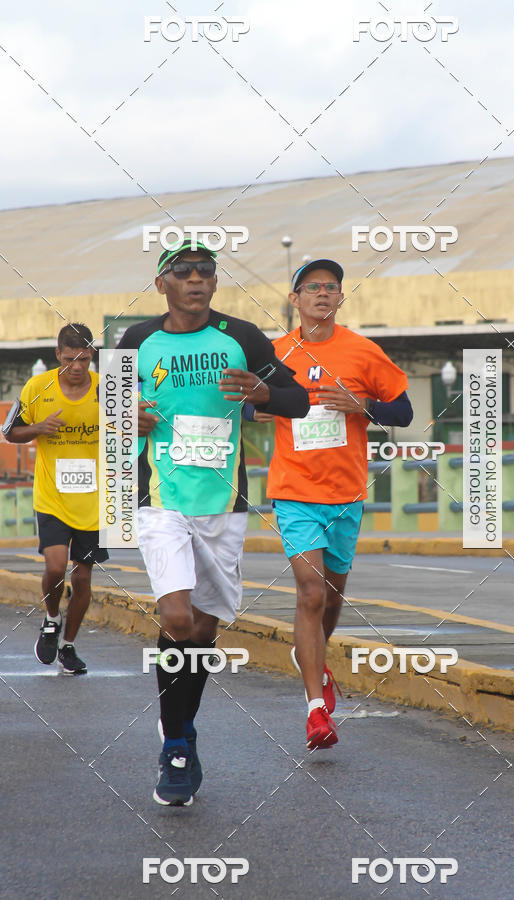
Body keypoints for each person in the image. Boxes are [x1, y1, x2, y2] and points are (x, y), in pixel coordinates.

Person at [117, 239, 309, 807]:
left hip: (223, 504)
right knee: (176, 617)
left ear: (215, 283)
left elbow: (297, 400)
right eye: (183, 272)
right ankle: (174, 747)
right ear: (162, 284)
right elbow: (110, 414)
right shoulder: (136, 341)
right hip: (161, 499)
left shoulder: (243, 337)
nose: (196, 280)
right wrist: (128, 417)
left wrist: (265, 390)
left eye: (206, 271)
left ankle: (183, 722)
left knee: (203, 629)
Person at [250, 259, 413, 750]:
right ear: (294, 299)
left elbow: (403, 410)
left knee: (333, 596)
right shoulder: (275, 354)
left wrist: (362, 406)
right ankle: (315, 710)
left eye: (331, 287)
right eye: (312, 287)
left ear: (340, 298)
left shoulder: (363, 351)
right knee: (310, 594)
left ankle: (312, 654)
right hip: (295, 491)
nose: (323, 293)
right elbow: (245, 403)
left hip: (346, 495)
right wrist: (268, 404)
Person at [4, 323, 107, 675]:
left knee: (83, 580)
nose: (77, 367)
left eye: (83, 359)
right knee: (54, 567)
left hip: (95, 499)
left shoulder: (109, 388)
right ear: (57, 356)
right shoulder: (38, 387)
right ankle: (51, 619)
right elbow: (8, 431)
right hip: (52, 496)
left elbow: (130, 430)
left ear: (92, 355)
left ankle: (68, 646)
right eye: (68, 359)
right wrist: (38, 428)